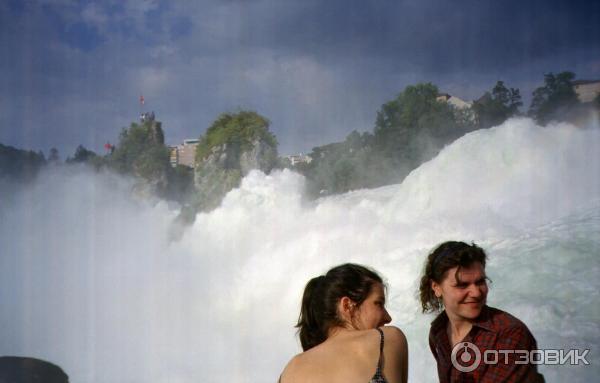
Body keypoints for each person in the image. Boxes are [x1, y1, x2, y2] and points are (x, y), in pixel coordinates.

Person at [419, 241, 544, 383]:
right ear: (436, 287)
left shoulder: (509, 335)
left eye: (480, 282)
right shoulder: (438, 331)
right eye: (462, 285)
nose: (476, 293)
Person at [280, 263, 408, 383]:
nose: (388, 317)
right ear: (347, 305)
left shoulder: (290, 369)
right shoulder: (385, 339)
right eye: (379, 303)